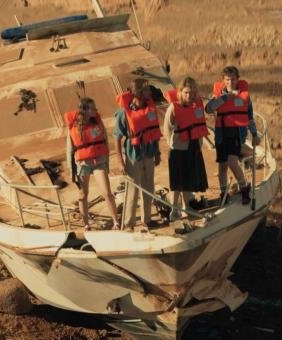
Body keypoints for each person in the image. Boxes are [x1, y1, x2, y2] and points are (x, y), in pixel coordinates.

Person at [205, 65, 261, 205]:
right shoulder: (219, 95)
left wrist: (254, 134)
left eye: (233, 79)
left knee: (232, 162)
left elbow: (249, 116)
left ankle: (244, 189)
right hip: (221, 134)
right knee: (222, 167)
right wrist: (225, 98)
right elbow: (209, 108)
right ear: (223, 80)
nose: (230, 82)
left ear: (238, 79)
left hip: (236, 133)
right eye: (227, 80)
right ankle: (224, 195)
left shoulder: (244, 96)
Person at [64, 97, 121, 231]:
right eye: (93, 108)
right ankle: (86, 224)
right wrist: (71, 171)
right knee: (83, 195)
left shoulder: (98, 122)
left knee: (107, 193)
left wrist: (107, 163)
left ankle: (116, 222)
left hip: (99, 161)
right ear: (85, 110)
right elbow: (69, 150)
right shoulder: (74, 126)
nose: (96, 110)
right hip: (83, 164)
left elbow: (105, 141)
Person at [114, 78, 162, 229]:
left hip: (149, 152)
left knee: (149, 187)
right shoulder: (123, 113)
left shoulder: (150, 108)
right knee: (133, 190)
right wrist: (120, 161)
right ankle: (128, 224)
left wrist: (157, 152)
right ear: (139, 92)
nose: (150, 92)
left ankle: (147, 220)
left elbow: (154, 131)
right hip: (133, 155)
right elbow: (117, 137)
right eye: (147, 89)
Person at [163, 77, 209, 220]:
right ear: (181, 92)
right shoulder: (173, 108)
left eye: (192, 92)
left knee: (188, 179)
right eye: (186, 92)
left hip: (193, 147)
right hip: (178, 149)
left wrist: (199, 144)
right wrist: (172, 144)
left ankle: (186, 206)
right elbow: (167, 129)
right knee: (177, 182)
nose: (189, 95)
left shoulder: (197, 106)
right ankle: (174, 209)